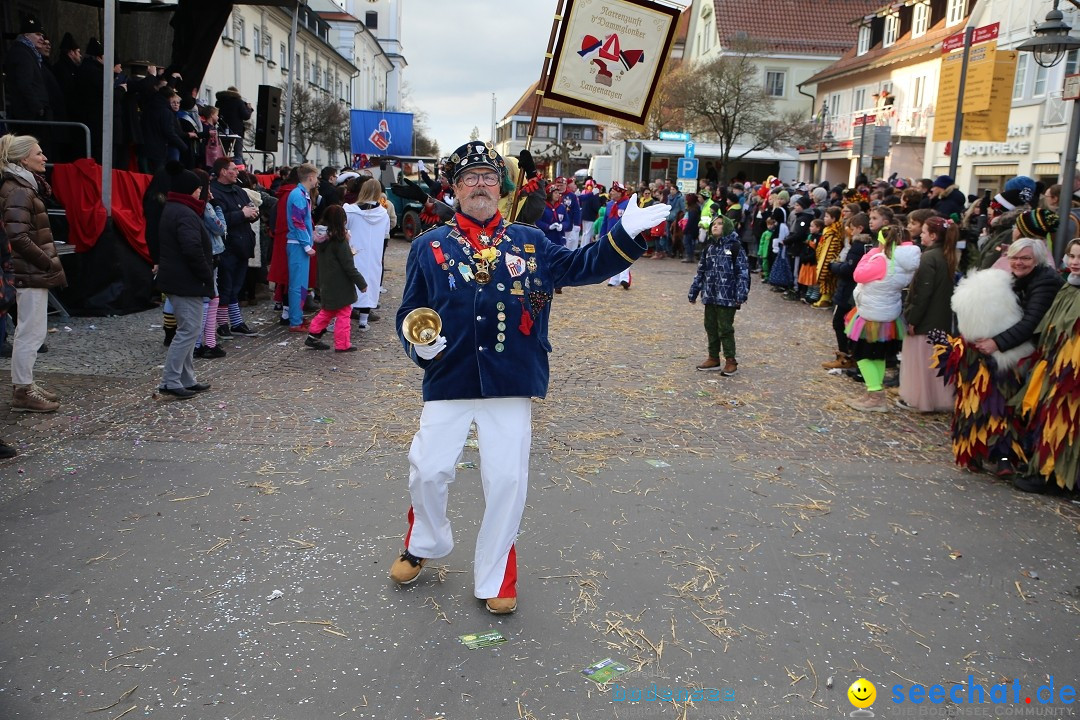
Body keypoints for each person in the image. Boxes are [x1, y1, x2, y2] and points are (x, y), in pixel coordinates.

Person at [389, 141, 669, 614]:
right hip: (448, 374)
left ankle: (496, 575)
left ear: (501, 187)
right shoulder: (428, 245)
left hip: (510, 376)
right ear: (455, 188)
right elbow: (408, 310)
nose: (480, 184)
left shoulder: (530, 241)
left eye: (488, 176)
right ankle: (425, 540)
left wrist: (626, 234)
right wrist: (417, 342)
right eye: (469, 178)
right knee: (429, 469)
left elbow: (581, 267)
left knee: (506, 480)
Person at [935, 235, 1063, 475]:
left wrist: (997, 343)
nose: (1018, 263)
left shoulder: (1045, 282)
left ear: (1038, 260)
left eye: (1025, 258)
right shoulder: (1014, 279)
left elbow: (1031, 322)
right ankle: (976, 451)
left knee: (1004, 406)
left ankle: (1004, 456)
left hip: (1021, 354)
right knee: (980, 404)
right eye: (1014, 258)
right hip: (1000, 352)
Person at [1, 135, 66, 413]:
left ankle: (24, 384)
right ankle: (23, 390)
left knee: (31, 330)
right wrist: (46, 261)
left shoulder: (23, 186)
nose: (44, 158)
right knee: (30, 331)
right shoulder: (19, 189)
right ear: (23, 159)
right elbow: (17, 234)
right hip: (27, 270)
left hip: (28, 269)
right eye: (38, 153)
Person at [1012, 238, 1080, 493]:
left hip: (1072, 373)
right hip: (1055, 364)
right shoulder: (1069, 288)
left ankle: (1059, 478)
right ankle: (1047, 471)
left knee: (1067, 422)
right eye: (1072, 256)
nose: (1075, 263)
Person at [843, 224, 921, 411]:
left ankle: (875, 394)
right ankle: (873, 393)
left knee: (862, 355)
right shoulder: (906, 260)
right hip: (888, 313)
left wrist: (869, 255)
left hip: (872, 314)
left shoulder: (882, 259)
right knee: (877, 355)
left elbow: (858, 275)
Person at [155, 167, 213, 399]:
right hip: (186, 280)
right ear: (188, 191)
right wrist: (206, 274)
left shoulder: (176, 209)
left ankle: (187, 378)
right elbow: (191, 249)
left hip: (181, 279)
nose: (200, 192)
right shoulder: (184, 213)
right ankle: (170, 380)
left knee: (190, 329)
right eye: (198, 188)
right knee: (188, 331)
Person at [897, 217, 958, 412]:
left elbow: (922, 293)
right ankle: (936, 399)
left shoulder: (929, 258)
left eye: (923, 232)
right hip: (940, 318)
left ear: (932, 235)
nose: (920, 235)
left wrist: (913, 318)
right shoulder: (947, 255)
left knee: (920, 363)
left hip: (926, 319)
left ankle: (920, 399)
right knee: (934, 362)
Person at [689, 216, 749, 375]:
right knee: (710, 326)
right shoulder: (709, 248)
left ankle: (731, 360)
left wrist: (741, 294)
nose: (715, 226)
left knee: (725, 328)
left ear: (727, 227)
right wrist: (694, 291)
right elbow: (701, 272)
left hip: (727, 297)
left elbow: (742, 273)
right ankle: (713, 358)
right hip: (710, 295)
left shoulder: (736, 247)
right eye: (713, 224)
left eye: (720, 224)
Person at [304, 205, 367, 352]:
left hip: (326, 282)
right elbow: (348, 266)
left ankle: (313, 335)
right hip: (341, 284)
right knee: (344, 314)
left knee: (328, 311)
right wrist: (361, 283)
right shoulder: (339, 242)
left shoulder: (321, 239)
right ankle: (342, 344)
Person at [210, 158, 260, 336]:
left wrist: (253, 213)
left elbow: (250, 209)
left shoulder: (239, 190)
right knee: (226, 286)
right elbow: (218, 219)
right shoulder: (214, 191)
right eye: (233, 169)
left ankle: (237, 322)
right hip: (227, 246)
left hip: (243, 244)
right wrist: (242, 213)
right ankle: (222, 324)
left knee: (237, 286)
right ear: (223, 171)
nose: (237, 172)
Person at [344, 177, 389, 332]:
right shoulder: (383, 214)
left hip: (354, 252)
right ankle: (363, 321)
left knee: (350, 285)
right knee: (370, 283)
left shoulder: (350, 211)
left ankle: (343, 320)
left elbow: (344, 230)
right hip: (373, 254)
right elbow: (385, 234)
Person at [285, 164, 319, 331]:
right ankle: (295, 321)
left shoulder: (301, 194)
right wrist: (306, 245)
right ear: (310, 177)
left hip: (300, 243)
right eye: (316, 177)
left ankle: (297, 317)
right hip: (298, 245)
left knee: (301, 284)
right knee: (297, 285)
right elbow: (298, 222)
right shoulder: (298, 196)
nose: (317, 181)